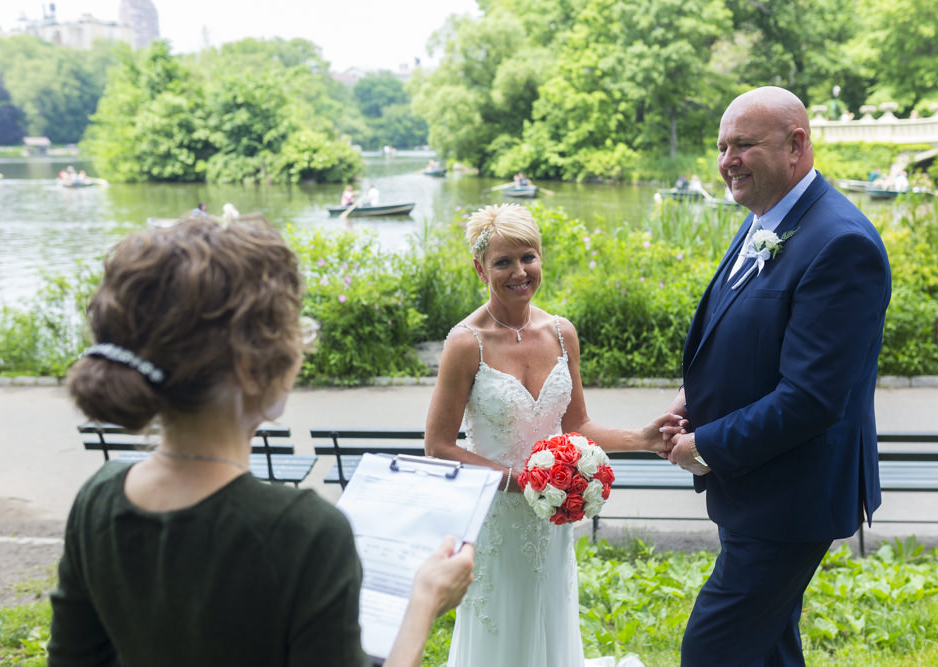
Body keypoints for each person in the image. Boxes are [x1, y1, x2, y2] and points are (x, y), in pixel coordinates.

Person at [48, 217, 475, 667]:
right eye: (295, 329)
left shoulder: (97, 498)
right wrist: (424, 601)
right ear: (252, 367)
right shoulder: (303, 532)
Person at [662, 86, 891, 665]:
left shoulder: (840, 243)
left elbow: (812, 397)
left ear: (796, 146)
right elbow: (752, 338)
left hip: (792, 497)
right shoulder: (768, 216)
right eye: (721, 147)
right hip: (757, 488)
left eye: (743, 145)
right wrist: (695, 398)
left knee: (711, 649)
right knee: (766, 648)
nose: (726, 161)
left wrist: (706, 446)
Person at [424, 203, 679, 667]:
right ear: (480, 268)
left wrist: (643, 438)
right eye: (503, 261)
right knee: (502, 625)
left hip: (553, 517)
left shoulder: (562, 333)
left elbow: (577, 427)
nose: (519, 271)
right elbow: (439, 447)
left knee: (550, 616)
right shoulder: (466, 343)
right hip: (500, 516)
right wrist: (526, 483)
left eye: (529, 257)